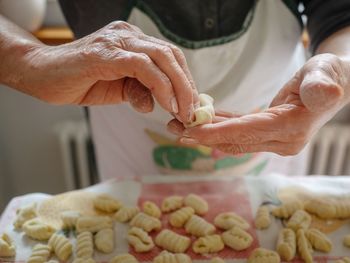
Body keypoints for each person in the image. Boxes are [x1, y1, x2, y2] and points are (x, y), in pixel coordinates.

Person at [1, 1, 350, 179]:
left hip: (274, 123)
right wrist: (29, 61)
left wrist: (341, 69)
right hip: (124, 132)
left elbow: (340, 15)